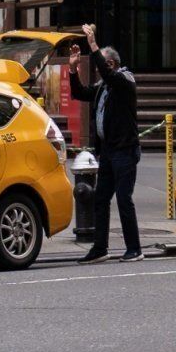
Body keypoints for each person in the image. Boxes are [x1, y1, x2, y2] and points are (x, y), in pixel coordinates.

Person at [68, 23, 142, 263]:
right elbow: (80, 93)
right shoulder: (104, 87)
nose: (99, 72)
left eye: (102, 66)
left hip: (125, 150)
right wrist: (72, 70)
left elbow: (109, 76)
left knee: (124, 198)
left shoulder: (124, 81)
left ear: (110, 64)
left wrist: (92, 45)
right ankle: (100, 248)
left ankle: (134, 248)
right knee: (101, 198)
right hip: (108, 152)